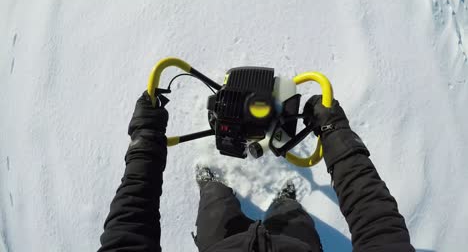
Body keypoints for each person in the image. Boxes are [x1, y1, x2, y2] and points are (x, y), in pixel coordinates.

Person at [98, 91, 415, 252]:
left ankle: (213, 185)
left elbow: (128, 227)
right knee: (289, 212)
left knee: (215, 204)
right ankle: (284, 201)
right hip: (295, 242)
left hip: (220, 243)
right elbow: (376, 218)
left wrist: (145, 139)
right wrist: (335, 132)